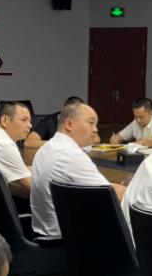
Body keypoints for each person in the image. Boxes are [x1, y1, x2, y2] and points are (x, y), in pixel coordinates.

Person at [30, 102, 126, 238]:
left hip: (47, 234)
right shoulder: (71, 155)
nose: (95, 130)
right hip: (69, 240)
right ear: (69, 124)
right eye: (91, 123)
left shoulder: (46, 149)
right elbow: (109, 195)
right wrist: (122, 190)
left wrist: (113, 188)